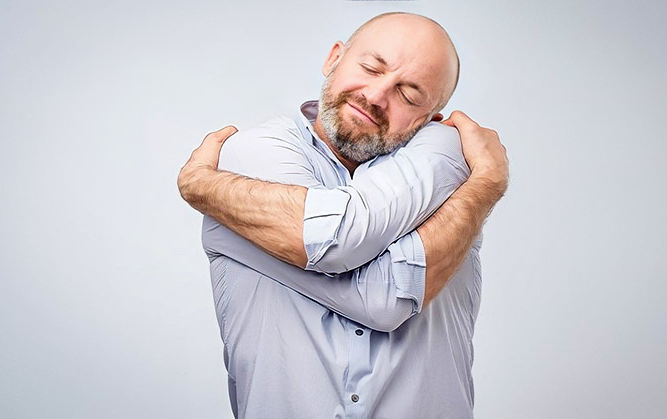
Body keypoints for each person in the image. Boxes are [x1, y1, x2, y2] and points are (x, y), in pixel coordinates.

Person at [178, 12, 508, 418]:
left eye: (409, 94)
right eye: (370, 68)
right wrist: (486, 185)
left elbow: (381, 294)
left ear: (431, 120)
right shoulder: (249, 155)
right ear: (334, 58)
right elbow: (384, 293)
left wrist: (483, 185)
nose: (376, 95)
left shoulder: (449, 160)